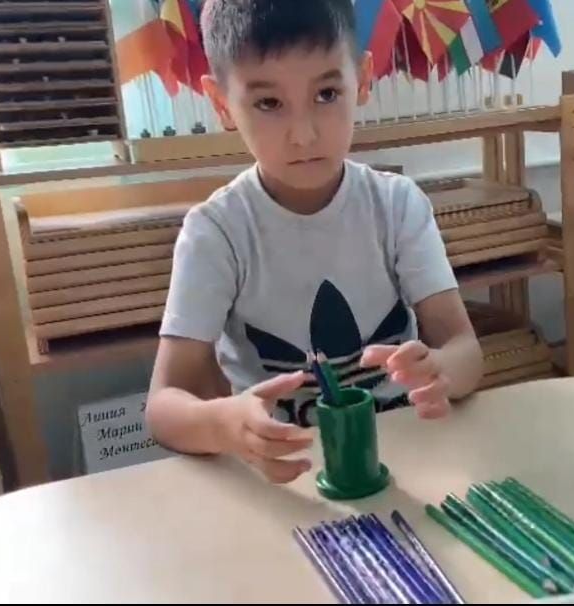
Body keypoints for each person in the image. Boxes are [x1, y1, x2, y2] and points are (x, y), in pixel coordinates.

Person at [146, 0, 483, 484]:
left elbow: (465, 349)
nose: (303, 135)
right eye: (268, 103)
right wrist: (224, 423)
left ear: (361, 81)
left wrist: (441, 371)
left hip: (406, 463)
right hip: (287, 475)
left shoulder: (397, 205)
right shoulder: (216, 232)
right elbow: (163, 406)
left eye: (326, 94)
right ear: (221, 104)